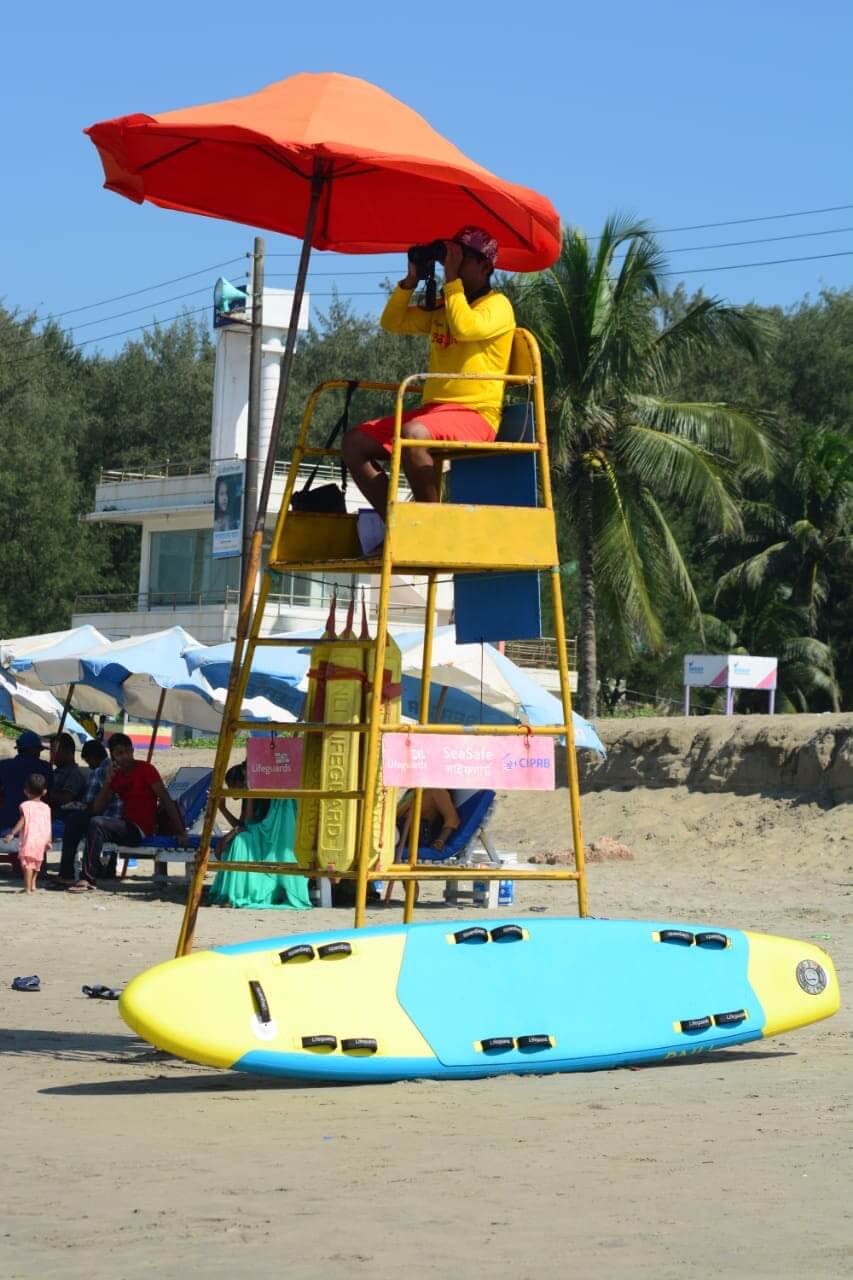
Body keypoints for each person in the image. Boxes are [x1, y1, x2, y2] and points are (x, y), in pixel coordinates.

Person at [342, 226, 515, 523]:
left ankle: (431, 528)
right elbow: (392, 321)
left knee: (414, 435)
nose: (454, 265)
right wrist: (411, 281)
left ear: (485, 266)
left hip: (476, 415)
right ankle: (401, 526)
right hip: (434, 413)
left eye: (461, 258)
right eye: (450, 257)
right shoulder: (446, 305)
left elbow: (465, 327)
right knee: (354, 442)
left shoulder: (497, 306)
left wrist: (450, 281)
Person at [66, 732, 187, 893]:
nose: (125, 757)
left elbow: (166, 800)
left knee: (97, 823)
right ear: (112, 756)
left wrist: (181, 832)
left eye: (128, 751)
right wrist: (108, 781)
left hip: (140, 830)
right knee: (78, 819)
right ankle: (66, 873)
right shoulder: (117, 775)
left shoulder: (146, 769)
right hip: (125, 826)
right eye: (120, 753)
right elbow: (97, 809)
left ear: (132, 750)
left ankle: (87, 878)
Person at [208, 762, 311, 910]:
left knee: (240, 841)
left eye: (232, 786)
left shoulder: (258, 795)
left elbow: (249, 822)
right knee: (237, 840)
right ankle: (234, 893)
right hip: (254, 834)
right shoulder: (246, 797)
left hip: (266, 837)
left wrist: (249, 796)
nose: (231, 791)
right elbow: (242, 824)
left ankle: (238, 894)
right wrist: (223, 809)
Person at [56, 739, 121, 886]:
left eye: (88, 761)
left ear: (93, 757)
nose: (89, 765)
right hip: (118, 818)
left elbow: (90, 804)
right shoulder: (116, 766)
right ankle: (108, 867)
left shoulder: (98, 772)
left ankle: (66, 873)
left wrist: (75, 805)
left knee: (73, 821)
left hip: (104, 818)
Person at [383, 788, 461, 904]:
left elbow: (452, 818)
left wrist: (441, 840)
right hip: (400, 829)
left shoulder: (437, 791)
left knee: (380, 837)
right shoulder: (413, 791)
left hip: (414, 834)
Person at [0, 730, 53, 877]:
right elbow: (50, 796)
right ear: (33, 749)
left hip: (7, 820)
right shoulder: (45, 768)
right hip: (35, 823)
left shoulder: (4, 766)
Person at [3, 774, 52, 894]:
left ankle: (27, 888)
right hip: (42, 840)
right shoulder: (46, 807)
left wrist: (12, 833)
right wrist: (49, 840)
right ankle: (33, 885)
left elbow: (22, 821)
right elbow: (48, 824)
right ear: (44, 791)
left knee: (27, 866)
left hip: (29, 840)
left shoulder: (25, 806)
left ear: (26, 791)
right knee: (36, 864)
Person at [48, 732, 87, 813]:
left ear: (68, 751)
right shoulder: (54, 772)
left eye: (54, 750)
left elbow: (65, 799)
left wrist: (43, 792)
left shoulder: (74, 774)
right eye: (51, 751)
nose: (51, 754)